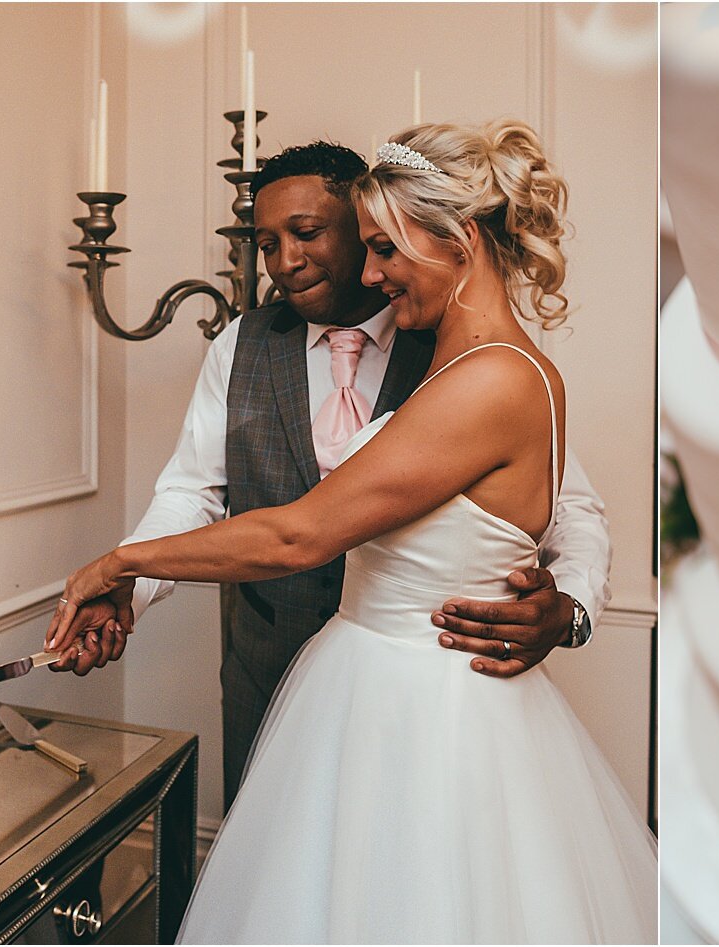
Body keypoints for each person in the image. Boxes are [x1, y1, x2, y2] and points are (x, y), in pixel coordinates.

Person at [46, 121, 656, 942]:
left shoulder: (479, 368)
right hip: (288, 678)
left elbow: (553, 509)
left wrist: (571, 606)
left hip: (424, 705)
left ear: (451, 236)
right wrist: (130, 593)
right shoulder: (250, 343)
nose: (284, 261)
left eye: (318, 235)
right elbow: (193, 493)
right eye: (264, 241)